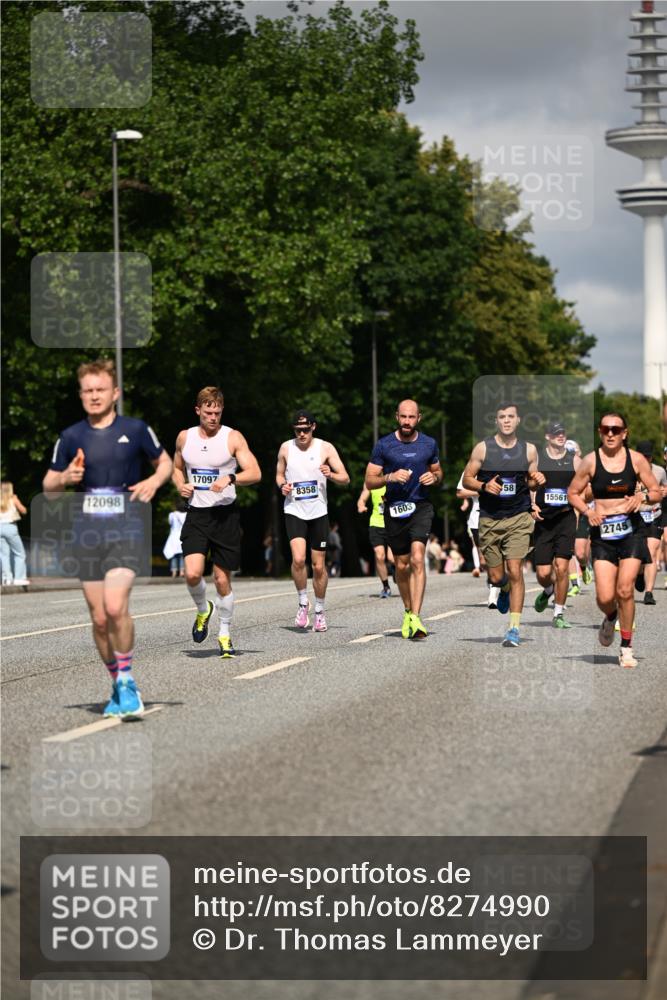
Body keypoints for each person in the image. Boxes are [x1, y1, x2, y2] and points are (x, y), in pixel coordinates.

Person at [43, 359, 172, 717]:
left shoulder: (137, 429)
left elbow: (164, 462)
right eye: (88, 390)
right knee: (99, 619)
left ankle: (128, 681)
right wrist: (65, 477)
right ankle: (117, 682)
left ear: (115, 392)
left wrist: (153, 481)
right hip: (87, 533)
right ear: (81, 394)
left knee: (116, 607)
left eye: (101, 389)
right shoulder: (70, 437)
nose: (94, 396)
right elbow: (49, 487)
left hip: (127, 528)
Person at [173, 386, 261, 658]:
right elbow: (176, 468)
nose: (213, 417)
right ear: (198, 410)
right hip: (197, 515)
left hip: (225, 516)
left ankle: (224, 634)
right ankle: (203, 610)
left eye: (217, 412)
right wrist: (180, 485)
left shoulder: (232, 437)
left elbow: (255, 472)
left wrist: (231, 478)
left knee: (222, 579)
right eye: (208, 412)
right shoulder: (184, 437)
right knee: (191, 574)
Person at [567, 412, 660, 668]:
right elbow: (572, 493)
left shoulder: (636, 460)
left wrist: (641, 499)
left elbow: (656, 492)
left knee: (625, 589)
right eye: (606, 429)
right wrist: (588, 511)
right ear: (599, 432)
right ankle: (610, 616)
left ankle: (626, 647)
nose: (610, 433)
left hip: (632, 531)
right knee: (605, 597)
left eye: (616, 430)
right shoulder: (590, 461)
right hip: (603, 533)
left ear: (624, 433)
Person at [462, 402, 545, 647]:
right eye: (502, 417)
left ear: (518, 420)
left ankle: (514, 629)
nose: (506, 421)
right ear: (496, 421)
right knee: (497, 576)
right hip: (489, 519)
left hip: (518, 518)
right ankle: (504, 588)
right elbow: (467, 479)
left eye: (511, 417)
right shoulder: (483, 449)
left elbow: (530, 482)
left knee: (516, 569)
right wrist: (484, 486)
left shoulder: (529, 450)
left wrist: (537, 482)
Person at [365, 399, 442, 640]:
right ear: (397, 417)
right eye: (403, 417)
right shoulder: (384, 445)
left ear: (419, 418)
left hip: (421, 507)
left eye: (412, 417)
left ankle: (417, 616)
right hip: (395, 509)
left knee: (418, 557)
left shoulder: (429, 443)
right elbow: (370, 480)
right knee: (401, 565)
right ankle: (408, 611)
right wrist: (389, 477)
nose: (407, 421)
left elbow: (438, 471)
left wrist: (434, 478)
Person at [276, 409, 349, 632]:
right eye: (298, 430)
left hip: (318, 513)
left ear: (313, 427)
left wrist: (331, 474)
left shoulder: (325, 448)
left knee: (318, 566)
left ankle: (319, 610)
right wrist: (282, 486)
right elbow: (279, 474)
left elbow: (345, 478)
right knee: (298, 559)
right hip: (294, 510)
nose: (302, 434)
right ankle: (302, 602)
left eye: (306, 430)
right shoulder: (286, 448)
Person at [531, 421, 580, 629]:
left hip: (565, 518)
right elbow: (530, 484)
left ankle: (558, 613)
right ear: (547, 437)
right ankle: (548, 590)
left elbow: (583, 488)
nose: (560, 436)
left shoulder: (575, 461)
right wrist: (532, 505)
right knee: (543, 573)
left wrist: (578, 510)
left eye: (562, 433)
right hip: (544, 521)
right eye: (555, 433)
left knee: (562, 567)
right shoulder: (538, 459)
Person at [456, 472, 500, 606]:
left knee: (497, 554)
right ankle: (494, 578)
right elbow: (460, 493)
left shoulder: (501, 467)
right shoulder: (472, 470)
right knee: (484, 560)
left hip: (499, 516)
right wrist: (481, 490)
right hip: (477, 519)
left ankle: (493, 593)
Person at [633, 440, 667, 605]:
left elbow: (665, 488)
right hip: (637, 516)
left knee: (653, 552)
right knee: (640, 555)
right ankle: (639, 573)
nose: (646, 459)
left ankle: (649, 592)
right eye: (643, 456)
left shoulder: (659, 471)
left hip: (655, 515)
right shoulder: (631, 471)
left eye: (649, 456)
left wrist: (664, 491)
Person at [357, 485, 393, 597]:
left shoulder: (394, 476)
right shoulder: (372, 481)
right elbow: (363, 497)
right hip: (376, 524)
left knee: (392, 559)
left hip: (393, 524)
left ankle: (397, 570)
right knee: (379, 556)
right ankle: (386, 586)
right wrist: (361, 505)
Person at [0, 482, 30, 586]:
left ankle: (6, 579)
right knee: (19, 553)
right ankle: (19, 578)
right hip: (10, 527)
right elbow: (24, 511)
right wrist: (17, 502)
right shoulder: (13, 499)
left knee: (4, 555)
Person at [163, 500, 187, 577]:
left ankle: (174, 571)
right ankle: (182, 571)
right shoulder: (186, 514)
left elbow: (170, 523)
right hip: (183, 535)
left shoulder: (172, 515)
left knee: (173, 554)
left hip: (173, 536)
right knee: (182, 555)